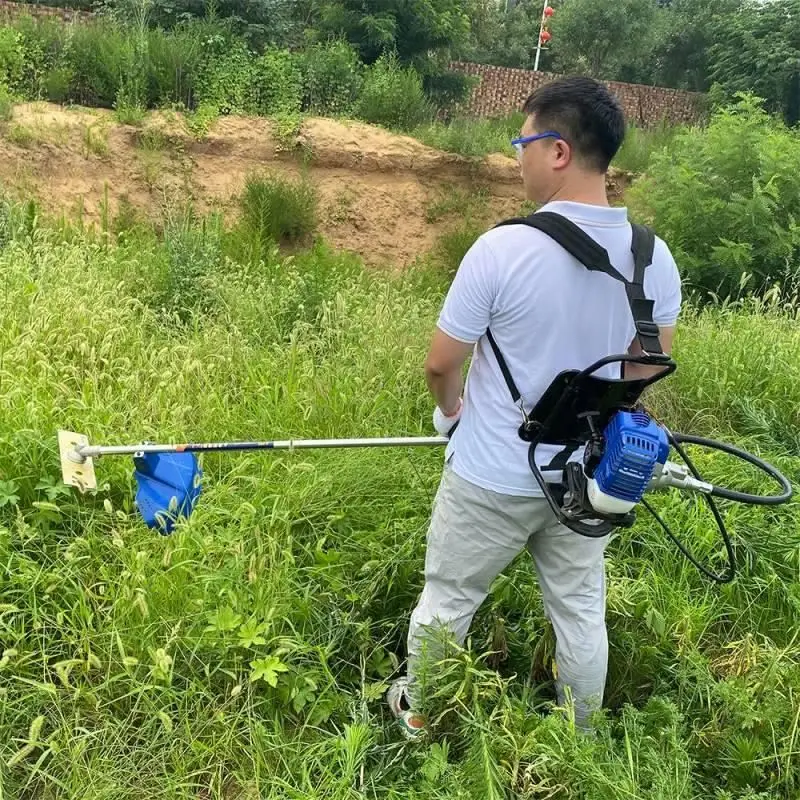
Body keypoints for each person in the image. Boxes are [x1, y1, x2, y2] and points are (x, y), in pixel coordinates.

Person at [387, 76, 682, 738]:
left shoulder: (504, 249)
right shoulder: (653, 259)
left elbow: (440, 364)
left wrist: (451, 414)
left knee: (451, 599)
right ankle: (577, 738)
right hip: (590, 481)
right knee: (580, 608)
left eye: (521, 141)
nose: (516, 155)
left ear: (556, 149)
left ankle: (423, 719)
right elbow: (642, 368)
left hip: (491, 473)